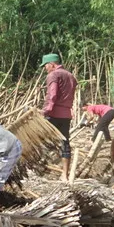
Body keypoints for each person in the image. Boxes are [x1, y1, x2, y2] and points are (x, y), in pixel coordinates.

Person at [40, 53, 77, 182]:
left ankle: (37, 168)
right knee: (65, 143)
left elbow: (52, 95)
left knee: (39, 139)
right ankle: (65, 175)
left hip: (53, 114)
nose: (45, 68)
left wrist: (45, 111)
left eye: (45, 65)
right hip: (66, 115)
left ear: (52, 64)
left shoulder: (53, 75)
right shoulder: (71, 76)